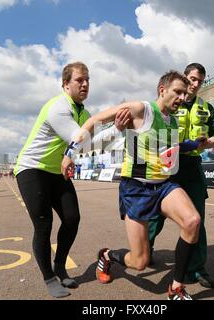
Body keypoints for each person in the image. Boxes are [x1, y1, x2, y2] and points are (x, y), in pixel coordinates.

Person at [61, 70, 201, 300]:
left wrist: (193, 145)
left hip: (164, 186)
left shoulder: (173, 121)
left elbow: (168, 150)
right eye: (177, 92)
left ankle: (176, 288)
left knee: (192, 221)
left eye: (185, 94)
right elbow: (95, 120)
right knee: (140, 262)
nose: (182, 97)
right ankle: (107, 256)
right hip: (136, 190)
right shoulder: (140, 109)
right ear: (162, 90)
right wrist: (71, 154)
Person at [14, 61, 130, 298]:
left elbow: (94, 146)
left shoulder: (84, 113)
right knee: (43, 225)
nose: (85, 84)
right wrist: (108, 117)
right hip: (32, 169)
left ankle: (59, 265)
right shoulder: (58, 107)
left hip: (57, 170)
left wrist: (116, 129)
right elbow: (80, 139)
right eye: (80, 80)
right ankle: (49, 277)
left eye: (88, 80)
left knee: (72, 218)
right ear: (66, 84)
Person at [147, 63, 214, 289]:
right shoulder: (169, 101)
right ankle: (144, 250)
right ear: (184, 77)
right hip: (167, 165)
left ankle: (196, 268)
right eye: (192, 78)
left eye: (200, 80)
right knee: (155, 215)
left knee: (197, 218)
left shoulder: (207, 107)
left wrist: (208, 142)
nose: (195, 84)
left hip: (192, 167)